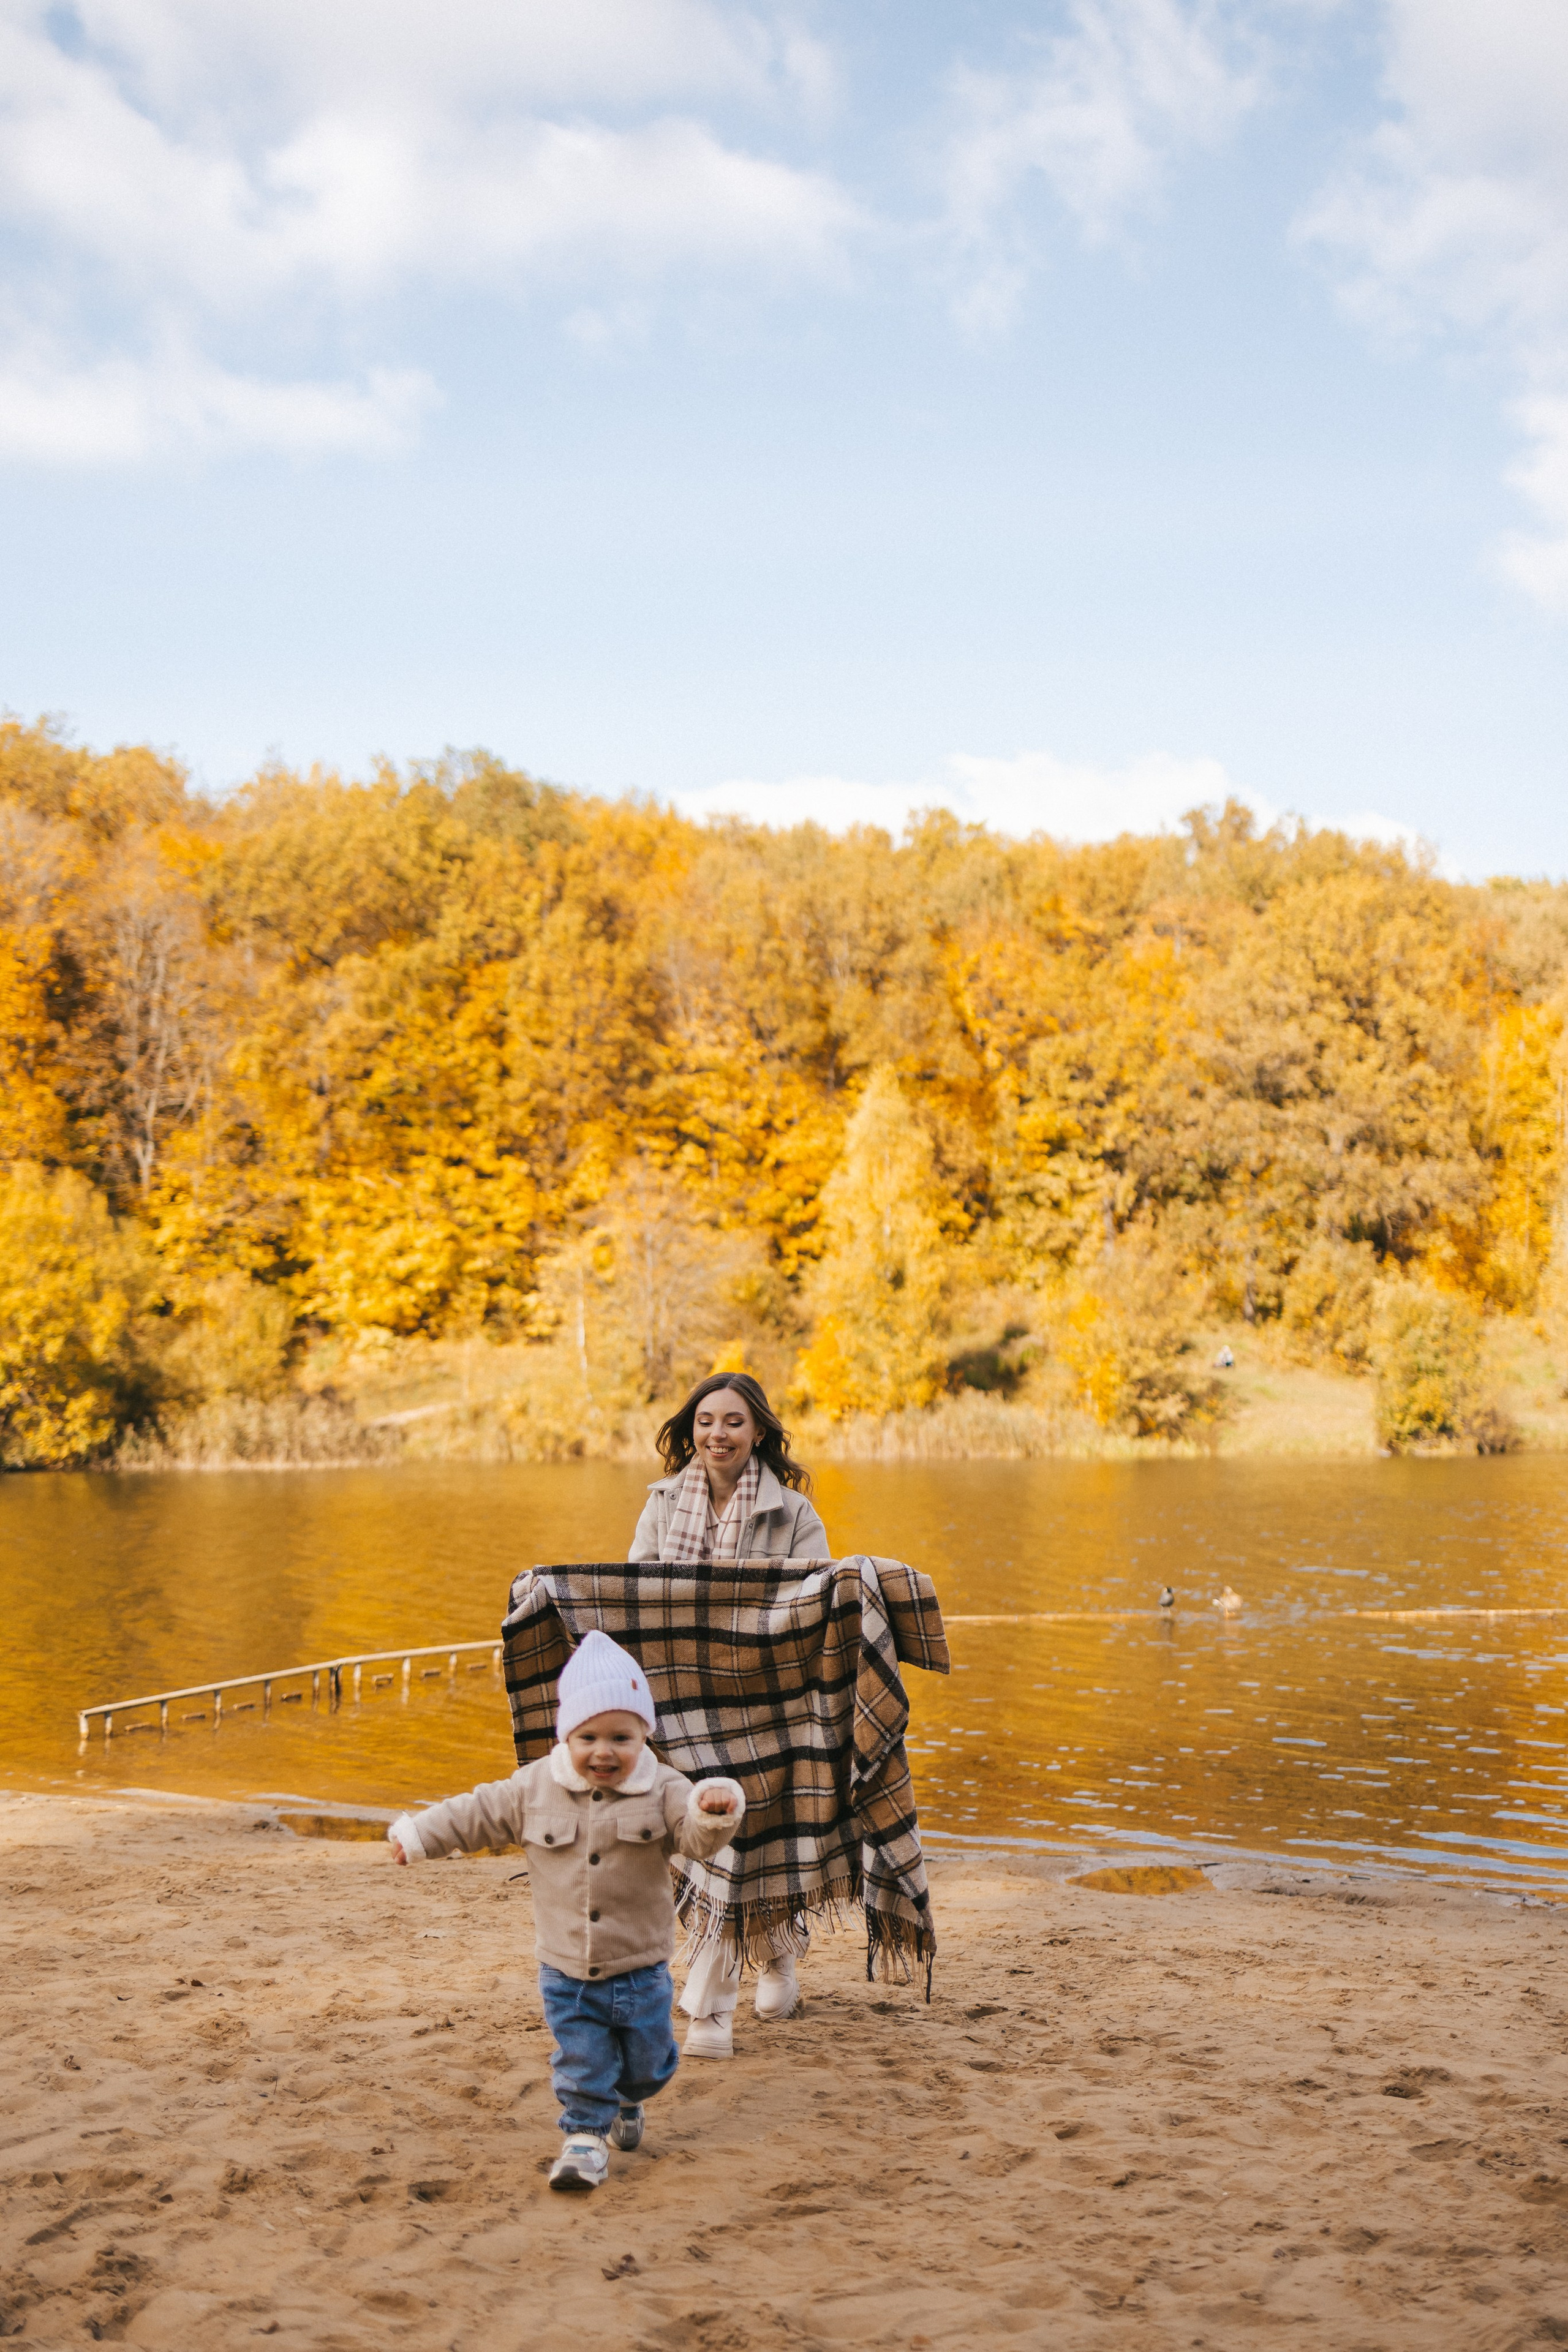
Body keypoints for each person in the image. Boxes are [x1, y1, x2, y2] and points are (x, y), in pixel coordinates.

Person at [386, 1628, 744, 2193]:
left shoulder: (665, 1789)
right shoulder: (533, 1789)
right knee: (581, 2058)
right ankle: (583, 2138)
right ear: (566, 1736)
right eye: (588, 1737)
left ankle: (630, 2099)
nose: (604, 1752)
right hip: (565, 1969)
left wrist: (714, 1811)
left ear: (644, 1736)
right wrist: (420, 1834)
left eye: (622, 1738)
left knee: (650, 2063)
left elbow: (697, 1839)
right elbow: (474, 1814)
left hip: (641, 1966)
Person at [628, 1371, 829, 2057]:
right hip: (682, 1703)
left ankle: (710, 2010)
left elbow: (816, 1609)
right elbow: (634, 1604)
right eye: (706, 1420)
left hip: (767, 1704)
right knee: (709, 1844)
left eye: (734, 1422)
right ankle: (776, 1954)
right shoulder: (659, 1505)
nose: (718, 1433)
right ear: (691, 1430)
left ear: (759, 1433)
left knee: (742, 1838)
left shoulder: (794, 1515)